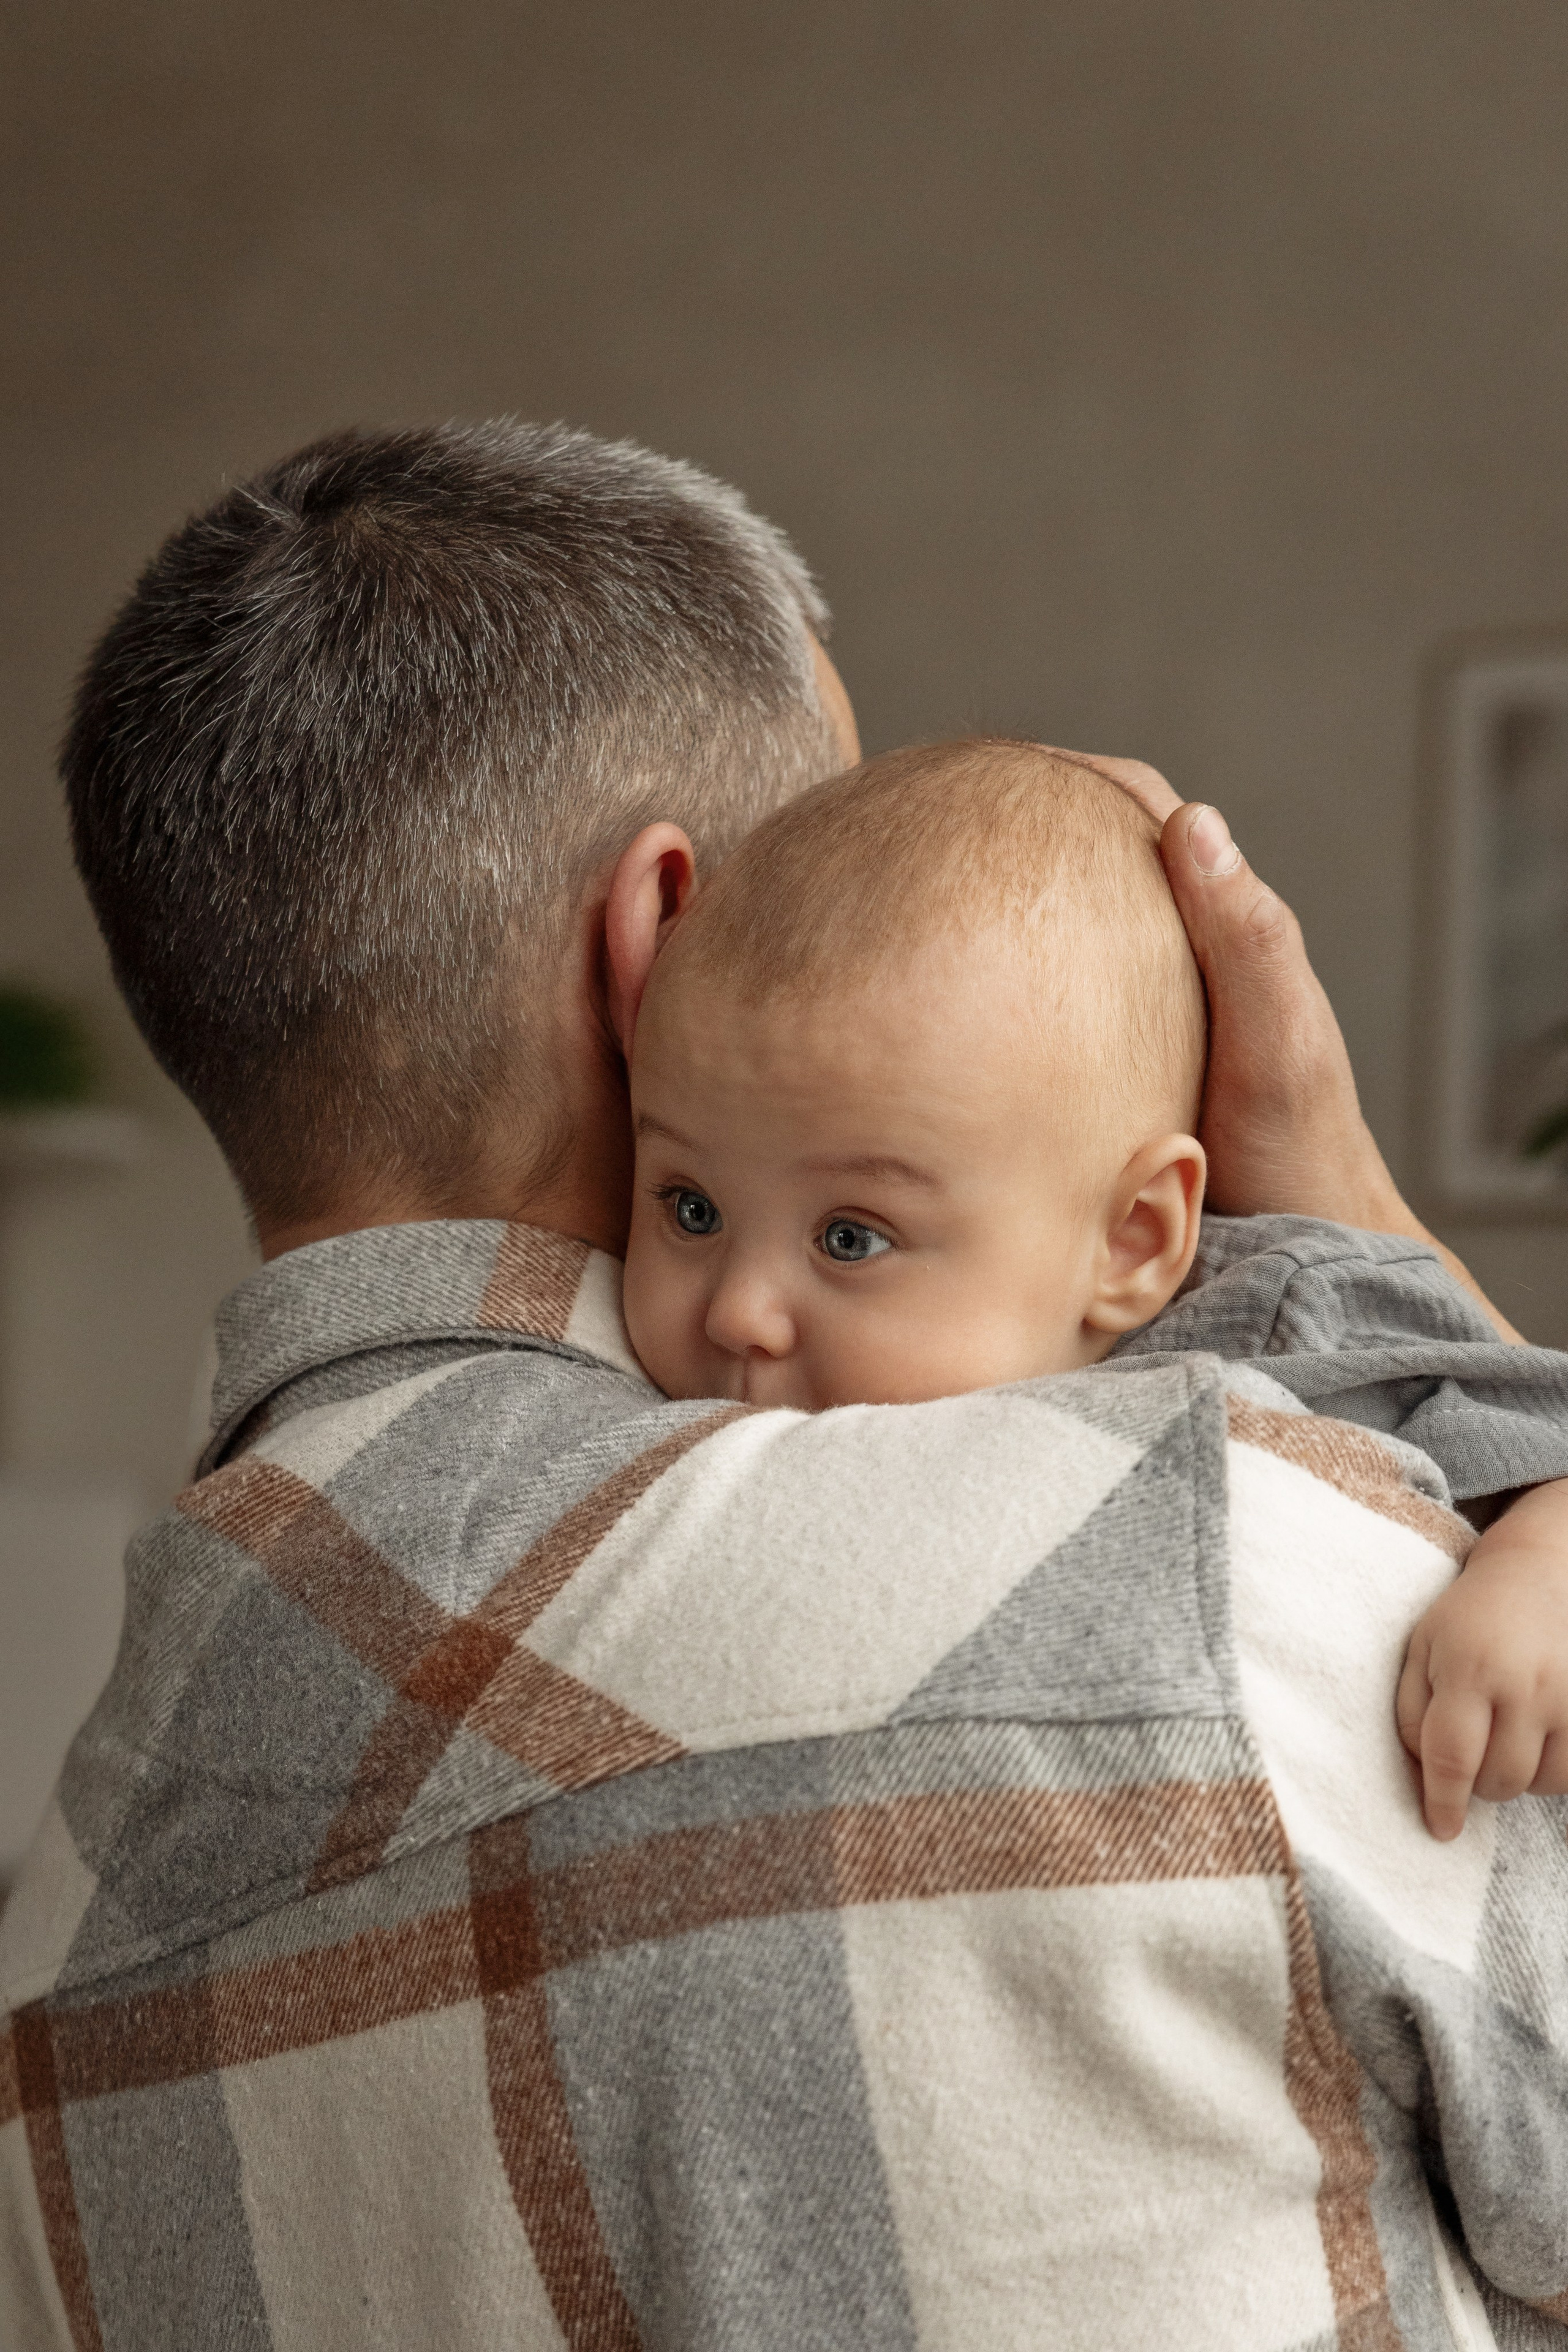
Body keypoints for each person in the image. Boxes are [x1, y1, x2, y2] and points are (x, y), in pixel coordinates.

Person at [3, 420, 1568, 2350]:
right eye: (819, 858)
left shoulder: (60, 1924)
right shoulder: (1216, 1562)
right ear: (659, 939)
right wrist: (1378, 1250)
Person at [620, 736, 1568, 1842]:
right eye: (690, 1208)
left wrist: (1538, 1578)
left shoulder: (1277, 1317)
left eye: (848, 1236)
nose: (737, 1310)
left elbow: (1539, 1427)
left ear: (1130, 1240)